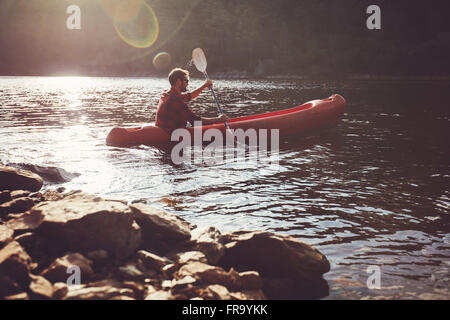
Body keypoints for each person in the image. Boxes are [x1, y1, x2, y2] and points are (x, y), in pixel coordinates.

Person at [155, 68, 228, 134]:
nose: (188, 83)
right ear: (178, 81)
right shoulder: (178, 100)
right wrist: (219, 119)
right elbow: (196, 122)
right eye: (186, 81)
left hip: (162, 128)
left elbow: (189, 96)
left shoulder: (166, 93)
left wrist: (204, 86)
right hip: (171, 133)